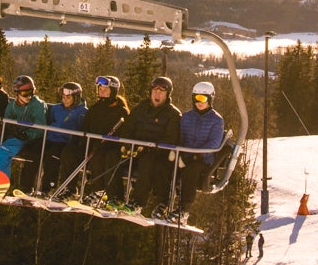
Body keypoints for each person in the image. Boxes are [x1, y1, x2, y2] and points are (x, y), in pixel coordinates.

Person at [123, 75, 183, 213]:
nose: (157, 94)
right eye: (155, 91)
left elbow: (171, 139)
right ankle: (113, 196)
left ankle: (138, 202)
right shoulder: (141, 108)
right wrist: (127, 144)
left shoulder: (173, 114)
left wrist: (151, 148)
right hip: (136, 149)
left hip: (157, 154)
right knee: (112, 156)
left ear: (167, 95)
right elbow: (128, 127)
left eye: (161, 92)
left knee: (148, 162)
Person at [0, 74, 46, 185]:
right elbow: (6, 120)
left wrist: (26, 134)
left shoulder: (38, 105)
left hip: (25, 138)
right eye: (24, 93)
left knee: (4, 150)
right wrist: (10, 128)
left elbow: (40, 128)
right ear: (17, 93)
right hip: (10, 135)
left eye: (31, 92)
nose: (28, 96)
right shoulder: (12, 106)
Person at [176, 80, 226, 219]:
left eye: (203, 98)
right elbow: (180, 137)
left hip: (203, 160)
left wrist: (197, 154)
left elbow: (215, 143)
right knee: (167, 167)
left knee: (191, 170)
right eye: (196, 98)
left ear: (210, 99)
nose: (200, 102)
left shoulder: (216, 120)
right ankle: (163, 204)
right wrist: (178, 152)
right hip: (185, 156)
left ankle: (183, 209)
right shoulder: (186, 117)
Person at [80, 74, 131, 198]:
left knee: (110, 158)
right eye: (100, 89)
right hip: (98, 146)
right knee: (97, 158)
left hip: (114, 148)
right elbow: (85, 129)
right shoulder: (94, 109)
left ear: (113, 91)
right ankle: (98, 192)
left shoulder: (121, 110)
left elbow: (126, 132)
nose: (101, 93)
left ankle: (114, 196)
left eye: (105, 90)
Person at [42, 81, 87, 192]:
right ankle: (42, 187)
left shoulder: (82, 112)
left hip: (67, 142)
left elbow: (81, 128)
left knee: (54, 156)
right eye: (63, 97)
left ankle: (51, 188)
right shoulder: (56, 109)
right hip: (51, 139)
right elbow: (51, 121)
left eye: (68, 97)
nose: (64, 100)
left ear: (76, 98)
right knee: (42, 152)